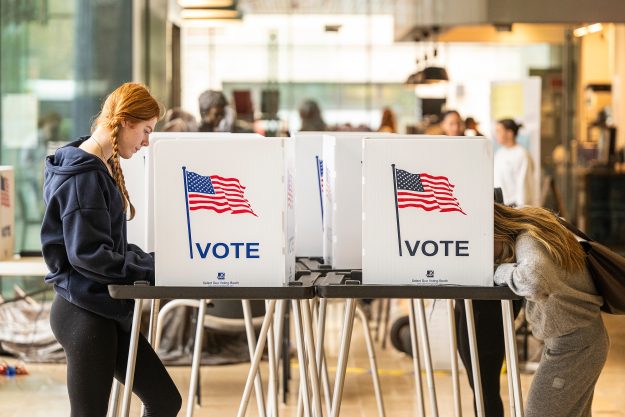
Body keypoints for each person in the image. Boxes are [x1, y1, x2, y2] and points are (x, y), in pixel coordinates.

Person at [41, 82, 182, 417]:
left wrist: (156, 263)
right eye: (145, 130)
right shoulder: (83, 176)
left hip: (102, 307)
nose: (147, 141)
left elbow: (109, 246)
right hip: (85, 313)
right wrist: (148, 272)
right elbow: (89, 255)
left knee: (165, 400)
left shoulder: (99, 167)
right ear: (125, 122)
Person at [493, 203, 608, 417]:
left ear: (495, 230)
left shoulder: (527, 239)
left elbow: (534, 280)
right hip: (581, 338)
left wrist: (499, 271)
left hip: (574, 344)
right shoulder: (534, 226)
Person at [494, 118, 536, 207]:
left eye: (498, 131)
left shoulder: (522, 154)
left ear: (510, 133)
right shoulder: (499, 153)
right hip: (500, 206)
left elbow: (524, 186)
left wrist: (520, 211)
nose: (496, 135)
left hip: (515, 208)